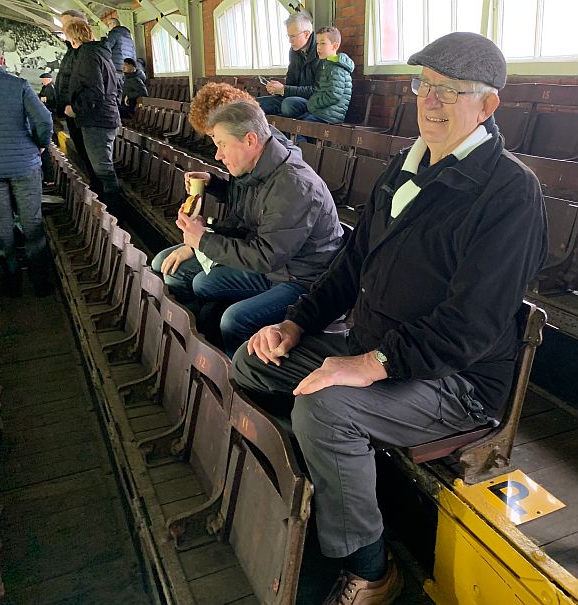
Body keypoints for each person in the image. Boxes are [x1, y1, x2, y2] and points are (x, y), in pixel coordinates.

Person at [232, 32, 548, 605]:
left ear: (489, 106)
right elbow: (350, 265)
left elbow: (470, 326)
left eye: (449, 91)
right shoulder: (406, 165)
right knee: (252, 361)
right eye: (424, 85)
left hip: (454, 380)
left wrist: (371, 363)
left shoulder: (509, 193)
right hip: (377, 349)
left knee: (324, 410)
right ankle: (316, 490)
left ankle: (373, 571)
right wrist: (297, 325)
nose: (430, 101)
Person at [153, 99, 343, 357]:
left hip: (301, 278)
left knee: (234, 320)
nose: (217, 155)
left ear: (250, 141)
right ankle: (196, 343)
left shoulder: (293, 185)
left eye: (221, 144)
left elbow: (266, 256)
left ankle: (239, 379)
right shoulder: (257, 166)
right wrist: (213, 195)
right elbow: (246, 217)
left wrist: (202, 241)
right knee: (202, 284)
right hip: (276, 268)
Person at [0, 37, 54, 296]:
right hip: (24, 163)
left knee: (1, 226)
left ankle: (11, 286)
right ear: (1, 59)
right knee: (32, 222)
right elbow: (44, 120)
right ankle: (41, 283)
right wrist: (40, 145)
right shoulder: (19, 84)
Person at [64, 19, 122, 216]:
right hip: (105, 116)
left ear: (72, 38)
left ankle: (113, 211)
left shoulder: (88, 54)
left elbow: (94, 91)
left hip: (97, 119)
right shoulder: (100, 52)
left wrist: (75, 109)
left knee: (103, 169)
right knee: (103, 166)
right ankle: (109, 207)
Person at [55, 9, 100, 192]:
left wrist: (75, 107)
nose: (64, 28)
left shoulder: (87, 53)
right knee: (84, 155)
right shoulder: (72, 51)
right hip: (73, 112)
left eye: (67, 24)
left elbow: (92, 87)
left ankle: (106, 204)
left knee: (96, 162)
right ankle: (97, 191)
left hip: (84, 114)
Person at [257, 10, 320, 118]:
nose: (290, 41)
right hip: (292, 97)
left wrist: (284, 89)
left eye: (293, 36)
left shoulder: (321, 51)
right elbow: (291, 83)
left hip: (312, 101)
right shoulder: (294, 51)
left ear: (306, 34)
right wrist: (277, 89)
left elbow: (317, 90)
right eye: (288, 36)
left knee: (288, 105)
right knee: (254, 104)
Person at [300, 26, 354, 124]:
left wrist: (313, 103)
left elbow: (333, 95)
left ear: (334, 46)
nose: (318, 47)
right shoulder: (328, 65)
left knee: (300, 127)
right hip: (324, 113)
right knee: (296, 121)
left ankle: (300, 140)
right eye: (317, 43)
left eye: (323, 43)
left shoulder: (337, 69)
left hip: (330, 116)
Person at [38, 72, 57, 189]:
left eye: (44, 79)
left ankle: (49, 180)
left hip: (49, 115)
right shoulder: (46, 88)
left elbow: (48, 101)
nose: (42, 81)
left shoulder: (50, 89)